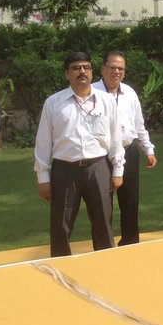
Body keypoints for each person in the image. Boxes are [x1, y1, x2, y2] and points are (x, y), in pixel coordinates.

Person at [34, 51, 125, 257]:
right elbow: (43, 142)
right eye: (76, 68)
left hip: (98, 168)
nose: (82, 72)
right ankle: (61, 267)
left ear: (92, 72)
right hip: (65, 170)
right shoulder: (53, 103)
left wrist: (117, 169)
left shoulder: (105, 100)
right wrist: (43, 177)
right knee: (61, 227)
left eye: (86, 67)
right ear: (67, 74)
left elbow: (115, 137)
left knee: (103, 223)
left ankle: (106, 265)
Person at [93, 50, 157, 246]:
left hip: (128, 151)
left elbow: (138, 125)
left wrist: (148, 149)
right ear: (103, 69)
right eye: (112, 68)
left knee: (130, 201)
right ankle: (104, 245)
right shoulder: (92, 93)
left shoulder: (129, 93)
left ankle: (130, 243)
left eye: (120, 68)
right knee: (103, 203)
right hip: (102, 155)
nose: (116, 72)